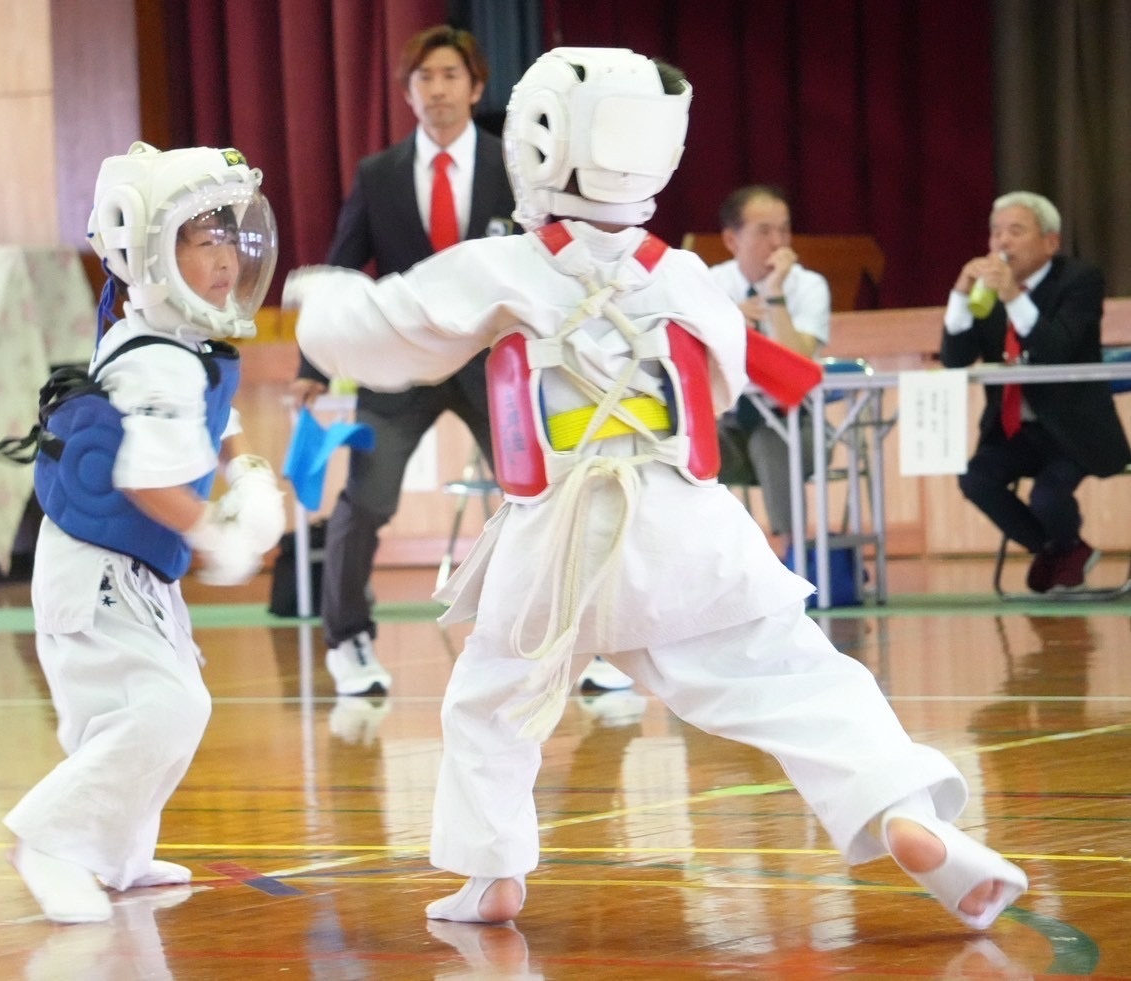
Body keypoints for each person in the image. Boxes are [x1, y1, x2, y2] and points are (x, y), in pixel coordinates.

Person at [287, 47, 1027, 931]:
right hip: (687, 524)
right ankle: (905, 809)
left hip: (556, 539)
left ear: (537, 140)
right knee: (797, 677)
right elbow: (715, 390)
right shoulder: (681, 273)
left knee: (490, 701)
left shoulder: (502, 265)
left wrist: (316, 295)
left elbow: (384, 333)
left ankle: (491, 876)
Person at [3, 142, 286, 923]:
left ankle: (119, 856)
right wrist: (215, 533)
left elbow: (211, 416)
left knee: (152, 706)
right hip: (98, 575)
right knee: (161, 710)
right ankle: (50, 842)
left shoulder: (178, 341)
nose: (225, 256)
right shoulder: (153, 358)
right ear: (151, 250)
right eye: (202, 238)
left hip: (126, 574)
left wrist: (245, 468)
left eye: (229, 234)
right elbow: (144, 476)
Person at [288, 25, 519, 698]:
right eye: (424, 77)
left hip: (488, 362)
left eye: (450, 75)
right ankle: (348, 638)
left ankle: (579, 640)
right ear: (407, 92)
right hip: (399, 362)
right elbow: (336, 267)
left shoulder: (514, 167)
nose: (437, 89)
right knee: (367, 498)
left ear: (475, 87)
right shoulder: (378, 175)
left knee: (540, 494)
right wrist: (312, 361)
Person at [940, 192, 1131, 593]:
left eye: (1015, 231)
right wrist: (960, 293)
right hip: (1015, 430)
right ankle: (1062, 549)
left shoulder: (1080, 280)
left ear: (1050, 242)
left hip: (1073, 430)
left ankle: (1058, 551)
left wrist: (1012, 295)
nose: (1001, 243)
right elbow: (955, 359)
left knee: (1047, 497)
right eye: (995, 233)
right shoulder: (988, 292)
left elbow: (1055, 350)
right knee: (976, 480)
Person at [711, 185, 831, 550]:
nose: (778, 242)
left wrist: (776, 294)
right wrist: (729, 324)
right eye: (764, 231)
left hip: (800, 425)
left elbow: (799, 365)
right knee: (682, 442)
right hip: (730, 425)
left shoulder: (808, 286)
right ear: (732, 239)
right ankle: (703, 558)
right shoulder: (711, 284)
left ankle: (793, 555)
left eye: (784, 229)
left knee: (771, 441)